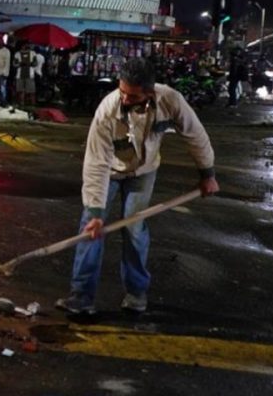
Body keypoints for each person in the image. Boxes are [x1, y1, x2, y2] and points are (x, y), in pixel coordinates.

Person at [55, 58, 218, 315]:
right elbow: (96, 163)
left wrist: (207, 174)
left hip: (143, 172)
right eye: (122, 91)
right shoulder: (107, 110)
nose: (125, 99)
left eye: (132, 96)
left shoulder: (171, 101)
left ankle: (136, 294)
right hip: (110, 171)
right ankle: (82, 298)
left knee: (134, 227)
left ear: (149, 92)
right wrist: (96, 211)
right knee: (90, 229)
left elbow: (196, 135)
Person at [13, 41, 38, 106]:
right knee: (20, 91)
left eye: (27, 45)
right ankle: (21, 104)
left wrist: (30, 64)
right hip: (19, 75)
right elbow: (14, 64)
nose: (25, 46)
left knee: (31, 91)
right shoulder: (17, 54)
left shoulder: (33, 53)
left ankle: (32, 104)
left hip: (30, 75)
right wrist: (20, 64)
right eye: (24, 45)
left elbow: (35, 63)